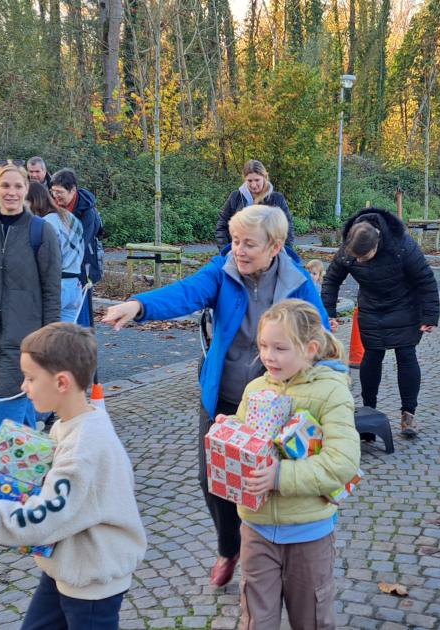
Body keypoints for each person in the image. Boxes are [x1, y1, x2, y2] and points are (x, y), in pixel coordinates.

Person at [102, 205, 327, 588]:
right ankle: (229, 547)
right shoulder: (222, 271)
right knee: (212, 479)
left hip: (274, 403)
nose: (238, 250)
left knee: (264, 481)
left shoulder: (298, 283)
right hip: (223, 396)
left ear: (274, 247)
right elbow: (187, 292)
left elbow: (320, 339)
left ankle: (262, 557)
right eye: (236, 241)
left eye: (249, 244)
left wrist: (331, 383)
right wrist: (139, 305)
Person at [0, 323, 147, 629]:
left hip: (91, 581)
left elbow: (41, 519)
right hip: (67, 565)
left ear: (62, 382)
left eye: (30, 378)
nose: (24, 386)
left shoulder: (83, 449)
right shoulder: (73, 422)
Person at [234, 299, 360, 629]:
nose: (268, 356)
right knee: (256, 618)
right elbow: (244, 443)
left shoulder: (331, 393)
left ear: (310, 348)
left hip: (308, 530)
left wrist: (280, 476)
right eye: (263, 345)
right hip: (256, 525)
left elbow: (342, 462)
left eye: (280, 348)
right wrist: (228, 433)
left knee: (311, 618)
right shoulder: (255, 389)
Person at [321, 207, 439, 438]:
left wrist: (430, 316)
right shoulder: (349, 248)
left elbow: (425, 279)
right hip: (371, 308)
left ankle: (408, 415)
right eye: (356, 257)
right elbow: (331, 280)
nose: (358, 261)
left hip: (406, 306)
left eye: (364, 257)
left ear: (376, 244)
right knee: (372, 356)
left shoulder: (402, 245)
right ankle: (369, 412)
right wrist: (329, 313)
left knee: (406, 355)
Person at [0, 161, 60, 452]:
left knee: (3, 414)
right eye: (5, 185)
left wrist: (50, 340)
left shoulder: (41, 232)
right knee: (20, 408)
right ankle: (37, 467)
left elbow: (52, 291)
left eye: (17, 186)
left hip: (26, 341)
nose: (11, 192)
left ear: (27, 189)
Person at [50, 168, 104, 327]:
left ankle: (83, 339)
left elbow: (81, 243)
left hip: (83, 267)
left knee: (80, 313)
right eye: (53, 191)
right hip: (60, 270)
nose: (55, 196)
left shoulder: (88, 212)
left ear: (73, 190)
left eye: (60, 192)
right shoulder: (54, 206)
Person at [27, 182, 85, 323]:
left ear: (32, 201)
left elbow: (45, 259)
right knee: (65, 334)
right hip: (74, 285)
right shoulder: (69, 217)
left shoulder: (45, 224)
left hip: (56, 285)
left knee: (44, 333)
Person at [215, 159, 294, 250]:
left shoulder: (277, 198)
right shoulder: (235, 197)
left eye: (257, 180)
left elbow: (287, 228)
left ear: (264, 177)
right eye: (249, 181)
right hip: (238, 253)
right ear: (245, 179)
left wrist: (283, 252)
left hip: (267, 253)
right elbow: (222, 226)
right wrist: (225, 251)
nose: (253, 185)